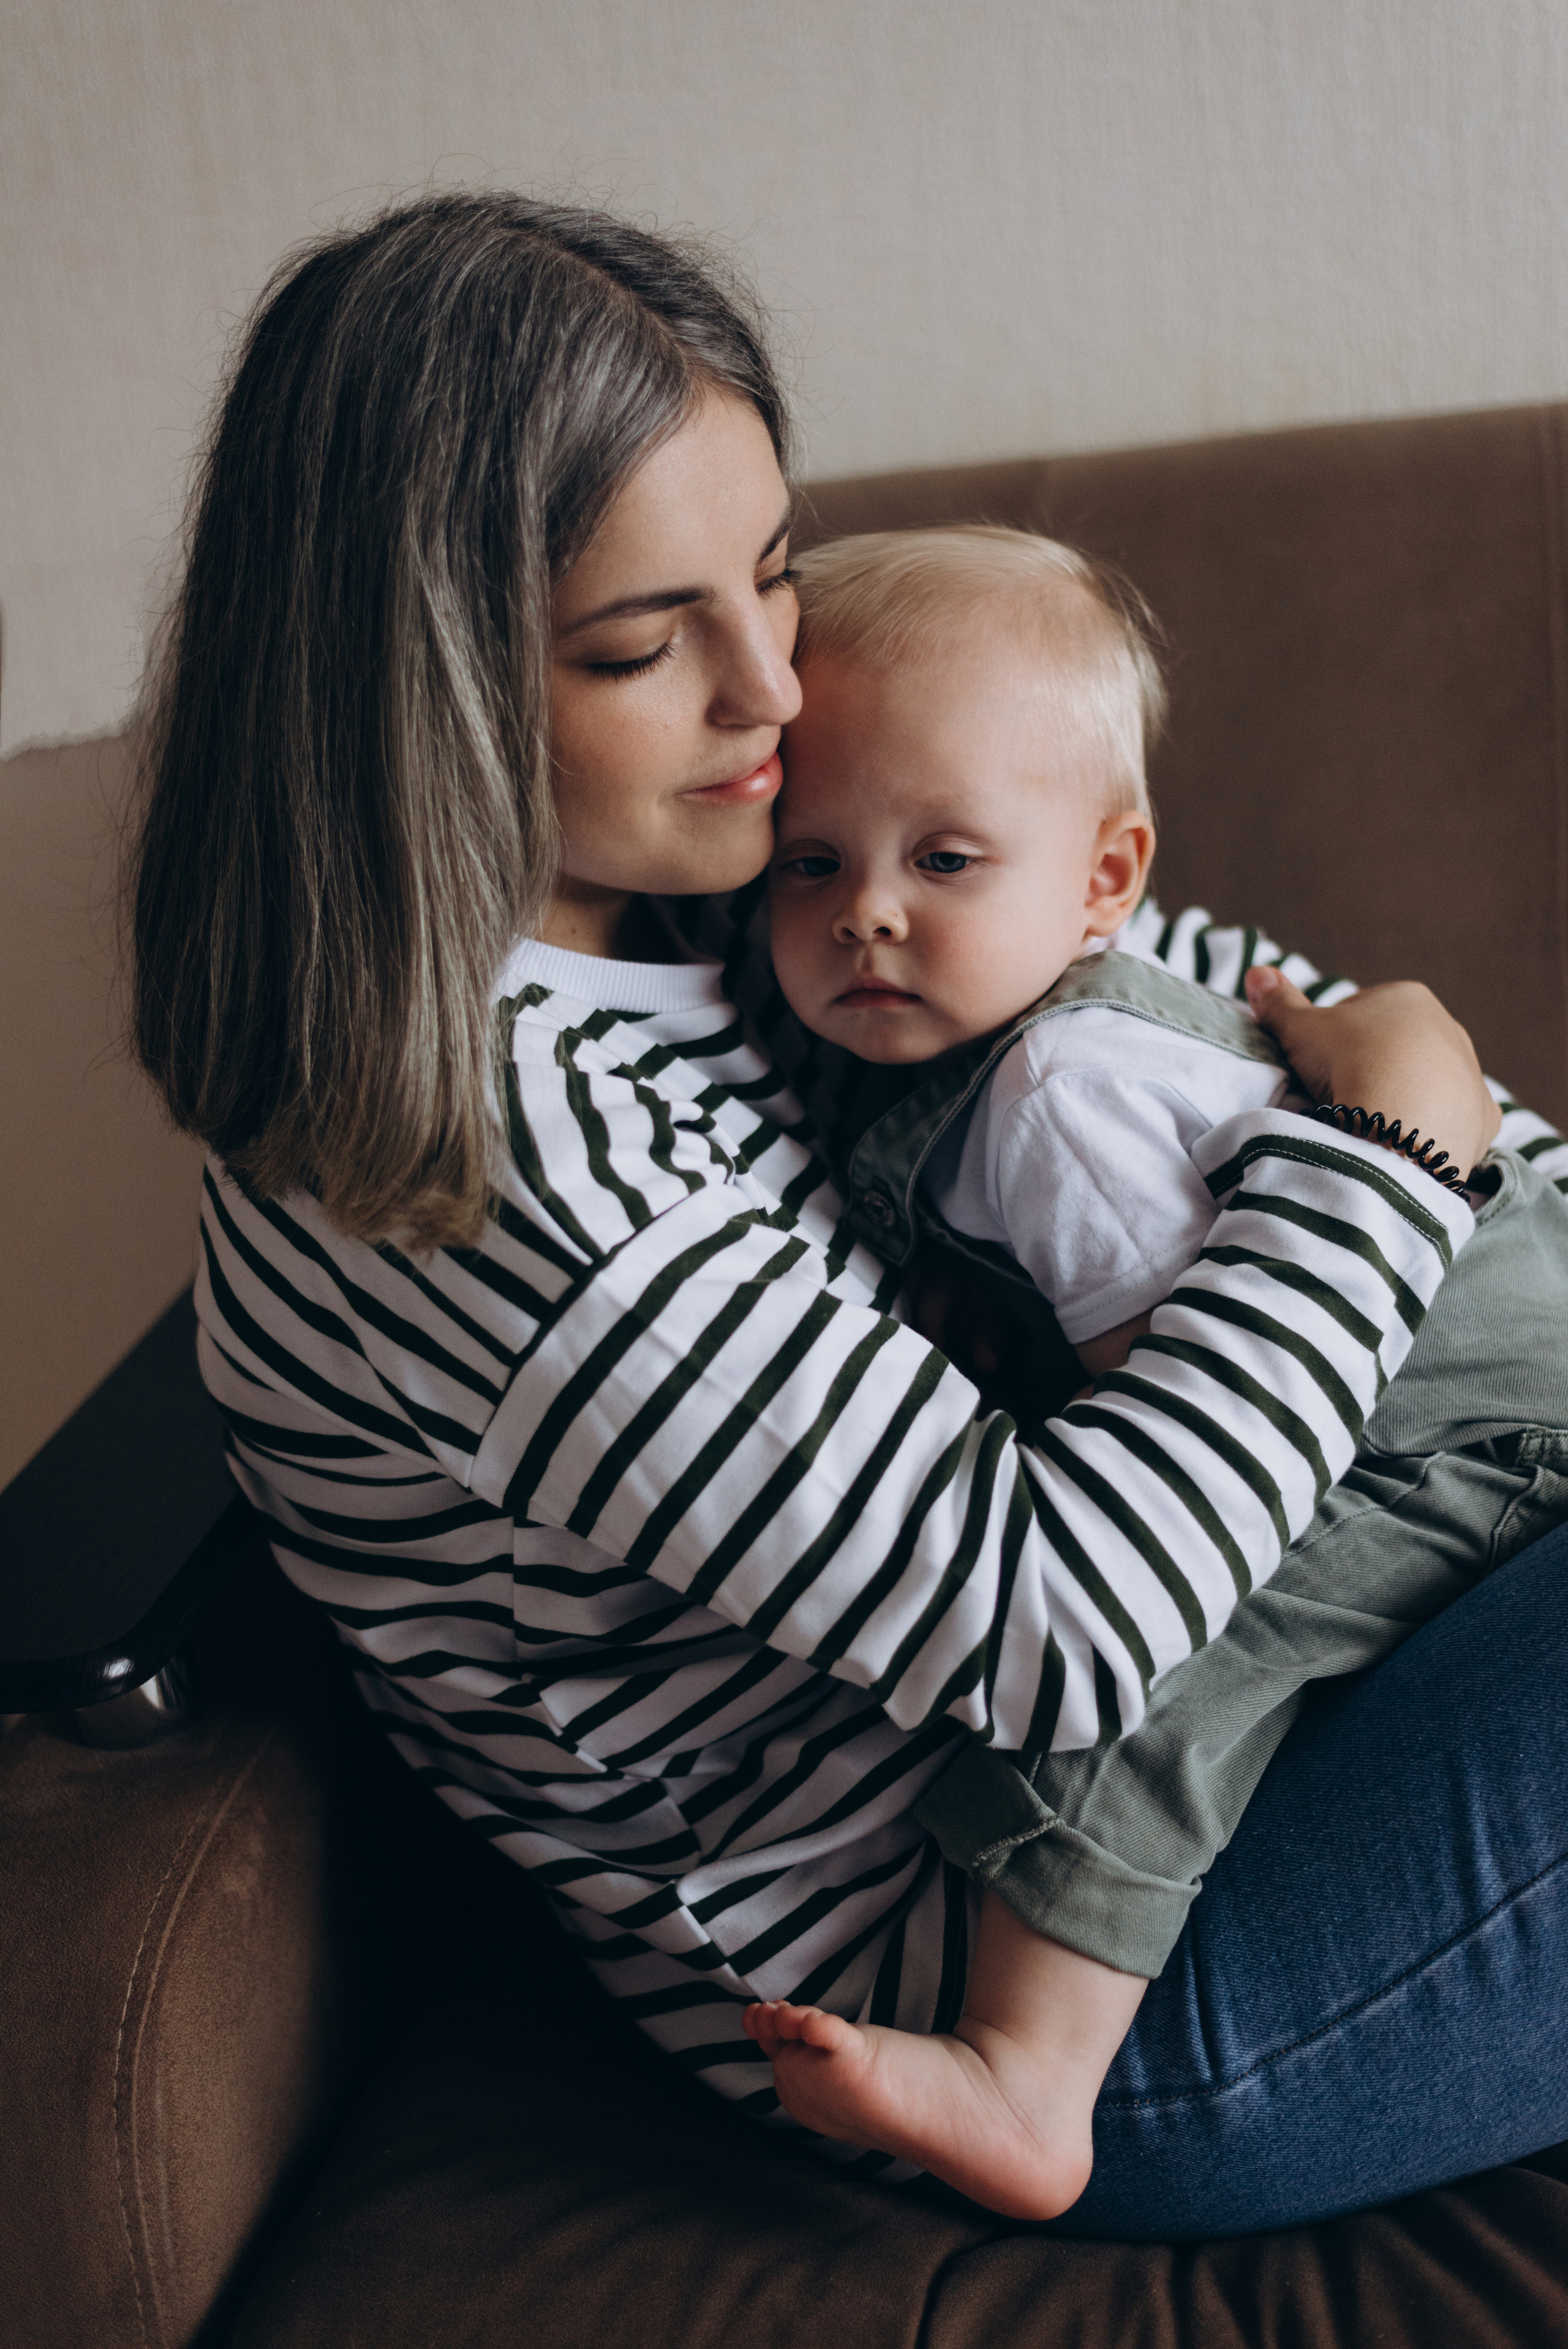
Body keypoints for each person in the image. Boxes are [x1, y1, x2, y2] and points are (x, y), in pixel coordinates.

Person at [124, 189, 1558, 2245]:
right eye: (642, 643)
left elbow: (1134, 972)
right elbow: (1059, 1628)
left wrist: (1435, 1120)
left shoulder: (704, 879)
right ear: (418, 692)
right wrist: (1393, 1173)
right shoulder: (485, 1168)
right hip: (1065, 1965)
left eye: (774, 576)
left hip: (1264, 1724)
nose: (771, 688)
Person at [753, 523, 1568, 2217]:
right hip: (1477, 1391)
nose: (869, 916)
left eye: (947, 858)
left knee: (1161, 1665)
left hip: (1447, 1429)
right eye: (809, 863)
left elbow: (1204, 1470)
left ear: (1104, 880)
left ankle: (1031, 2068)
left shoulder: (1056, 1091)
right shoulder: (1037, 1049)